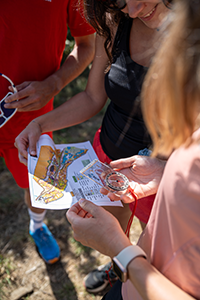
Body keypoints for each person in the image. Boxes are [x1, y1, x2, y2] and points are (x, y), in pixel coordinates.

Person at [15, 0, 170, 291]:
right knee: (113, 237)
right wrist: (40, 124)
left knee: (159, 257)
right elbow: (92, 97)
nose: (133, 11)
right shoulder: (114, 20)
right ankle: (117, 267)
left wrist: (168, 169)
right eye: (121, 1)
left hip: (164, 174)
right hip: (107, 159)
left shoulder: (192, 33)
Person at [66, 0, 200, 298]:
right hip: (131, 166)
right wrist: (166, 169)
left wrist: (122, 251)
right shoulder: (185, 162)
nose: (134, 10)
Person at [0, 0, 95, 264]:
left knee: (38, 187)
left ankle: (37, 225)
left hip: (31, 120)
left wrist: (53, 84)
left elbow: (87, 46)